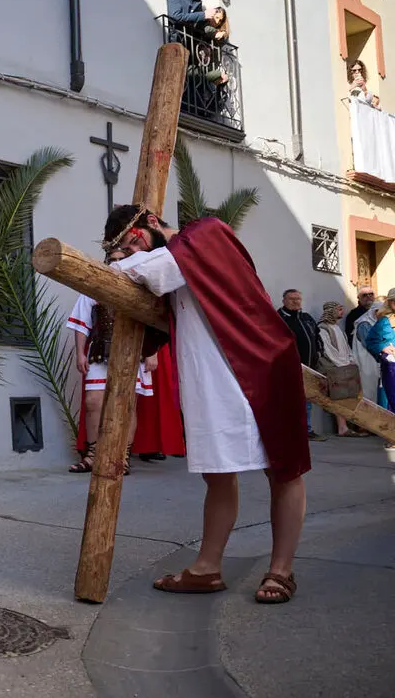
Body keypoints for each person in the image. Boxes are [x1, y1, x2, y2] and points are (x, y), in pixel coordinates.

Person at [104, 205, 309, 604]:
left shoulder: (205, 234)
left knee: (283, 469)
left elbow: (154, 272)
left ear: (150, 222)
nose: (132, 253)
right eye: (125, 250)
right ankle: (206, 569)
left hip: (259, 364)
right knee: (216, 473)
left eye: (132, 243)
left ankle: (281, 571)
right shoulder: (169, 260)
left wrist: (118, 265)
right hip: (210, 380)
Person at [65, 250, 156, 474]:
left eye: (120, 259)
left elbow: (152, 323)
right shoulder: (94, 287)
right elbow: (81, 323)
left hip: (132, 352)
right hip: (100, 352)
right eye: (112, 259)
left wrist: (152, 352)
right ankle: (92, 456)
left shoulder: (140, 289)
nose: (116, 263)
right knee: (93, 402)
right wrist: (80, 353)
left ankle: (121, 458)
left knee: (127, 405)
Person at [279, 289, 326, 441]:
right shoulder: (279, 318)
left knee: (307, 400)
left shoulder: (306, 318)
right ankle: (289, 431)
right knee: (288, 400)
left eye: (298, 299)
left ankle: (306, 430)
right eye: (291, 299)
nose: (295, 301)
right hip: (288, 369)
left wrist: (319, 352)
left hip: (309, 367)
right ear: (284, 301)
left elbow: (317, 336)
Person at [319, 302, 362, 437]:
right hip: (335, 368)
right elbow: (328, 351)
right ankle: (342, 428)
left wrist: (350, 360)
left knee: (347, 397)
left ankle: (347, 427)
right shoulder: (323, 328)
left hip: (344, 367)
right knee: (338, 397)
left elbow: (346, 347)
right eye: (338, 309)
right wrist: (341, 363)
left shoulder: (338, 328)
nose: (341, 312)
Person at [364, 290, 395, 451]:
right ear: (390, 303)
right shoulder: (384, 321)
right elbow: (371, 341)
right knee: (393, 399)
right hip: (392, 366)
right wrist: (383, 348)